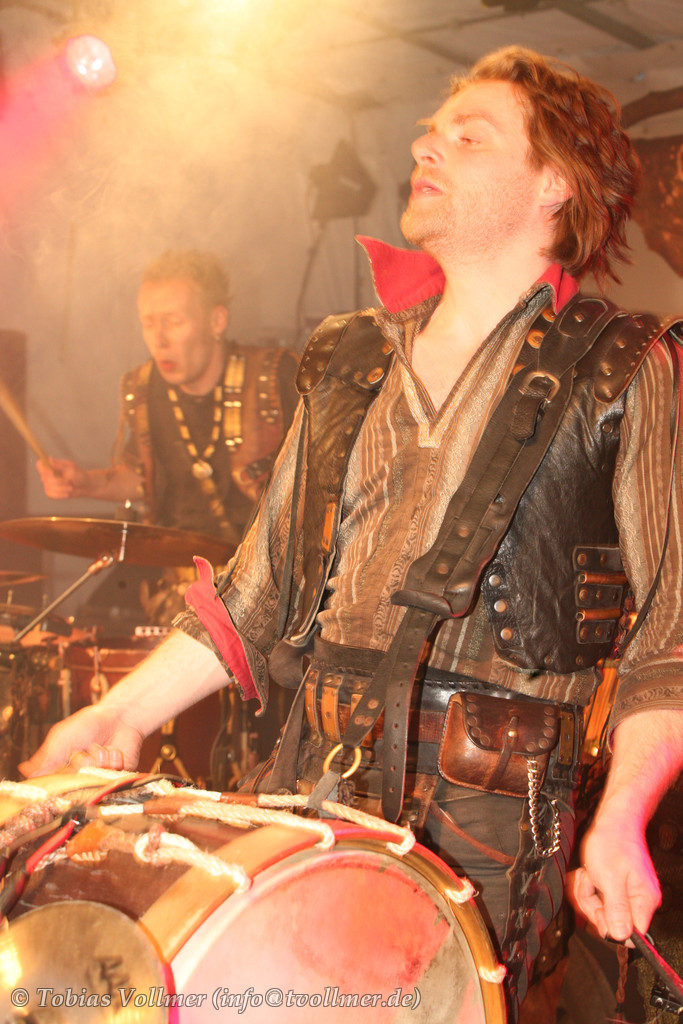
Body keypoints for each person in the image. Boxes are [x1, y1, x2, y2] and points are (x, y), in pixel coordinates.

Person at [22, 48, 683, 1020]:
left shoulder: (625, 364)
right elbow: (255, 593)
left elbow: (670, 638)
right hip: (315, 771)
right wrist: (120, 712)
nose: (427, 147)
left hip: (490, 820)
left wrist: (621, 813)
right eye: (430, 131)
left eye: (469, 136)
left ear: (555, 181)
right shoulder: (346, 356)